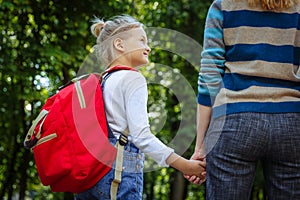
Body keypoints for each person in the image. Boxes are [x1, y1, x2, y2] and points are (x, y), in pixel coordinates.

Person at [75, 14, 206, 200]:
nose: (148, 47)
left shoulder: (101, 82)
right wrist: (184, 164)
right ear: (119, 45)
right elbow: (141, 137)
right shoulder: (132, 78)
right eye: (142, 40)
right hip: (119, 175)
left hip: (90, 176)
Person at [186, 0, 300, 199]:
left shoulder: (223, 6)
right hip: (292, 122)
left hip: (233, 121)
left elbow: (209, 76)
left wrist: (201, 146)